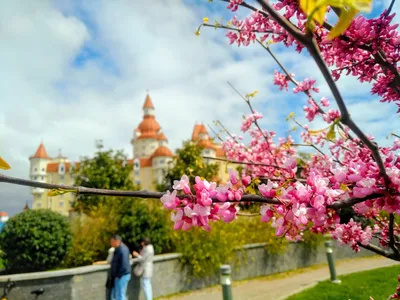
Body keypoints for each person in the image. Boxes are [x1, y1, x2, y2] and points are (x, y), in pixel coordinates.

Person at [110, 234, 131, 300]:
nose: (111, 244)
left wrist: (118, 276)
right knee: (118, 294)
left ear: (117, 241)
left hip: (122, 276)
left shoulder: (122, 249)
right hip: (120, 275)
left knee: (120, 295)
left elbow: (124, 264)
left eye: (112, 242)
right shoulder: (119, 249)